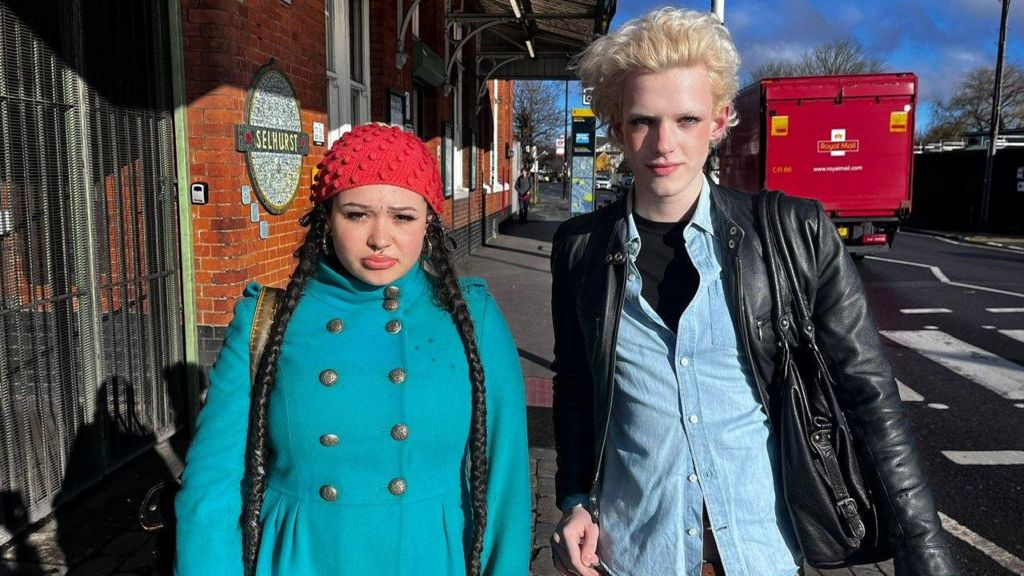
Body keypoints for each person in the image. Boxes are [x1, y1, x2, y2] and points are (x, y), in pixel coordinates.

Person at [548, 8, 958, 576]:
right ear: (617, 126)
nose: (665, 144)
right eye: (643, 121)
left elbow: (871, 397)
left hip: (760, 553)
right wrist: (572, 499)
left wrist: (926, 555)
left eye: (687, 119)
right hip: (635, 552)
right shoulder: (579, 250)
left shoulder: (794, 233)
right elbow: (575, 389)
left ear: (719, 122)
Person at [175, 123, 531, 576]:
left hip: (427, 559)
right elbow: (212, 489)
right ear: (327, 216)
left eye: (403, 217)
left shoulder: (471, 318)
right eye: (357, 214)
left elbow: (506, 489)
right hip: (302, 559)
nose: (380, 238)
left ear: (429, 220)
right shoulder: (266, 320)